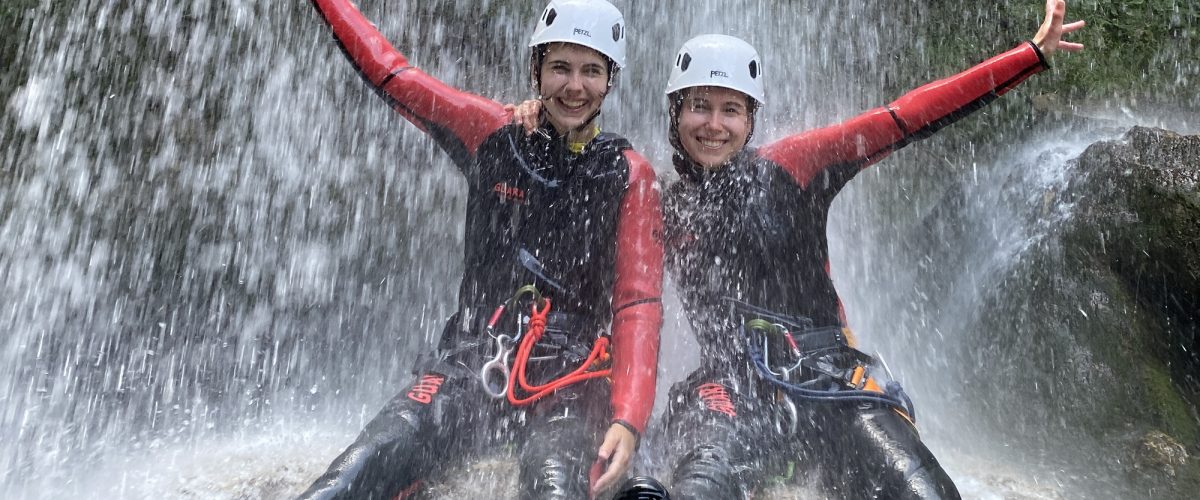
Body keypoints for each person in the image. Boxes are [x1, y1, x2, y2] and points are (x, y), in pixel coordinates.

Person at [510, 0, 1084, 498]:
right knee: (701, 481)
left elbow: (905, 117)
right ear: (676, 112)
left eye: (731, 109)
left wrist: (1030, 55)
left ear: (751, 119)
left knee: (920, 488)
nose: (713, 125)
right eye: (699, 105)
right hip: (727, 388)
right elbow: (607, 266)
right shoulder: (656, 201)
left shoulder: (794, 167)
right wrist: (538, 120)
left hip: (828, 379)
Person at [301, 1, 664, 498]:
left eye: (591, 72)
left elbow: (637, 305)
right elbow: (392, 75)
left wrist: (627, 418)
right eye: (560, 67)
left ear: (610, 81)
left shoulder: (629, 174)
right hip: (471, 364)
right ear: (536, 70)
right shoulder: (493, 135)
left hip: (570, 384)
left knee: (554, 486)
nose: (575, 86)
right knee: (352, 473)